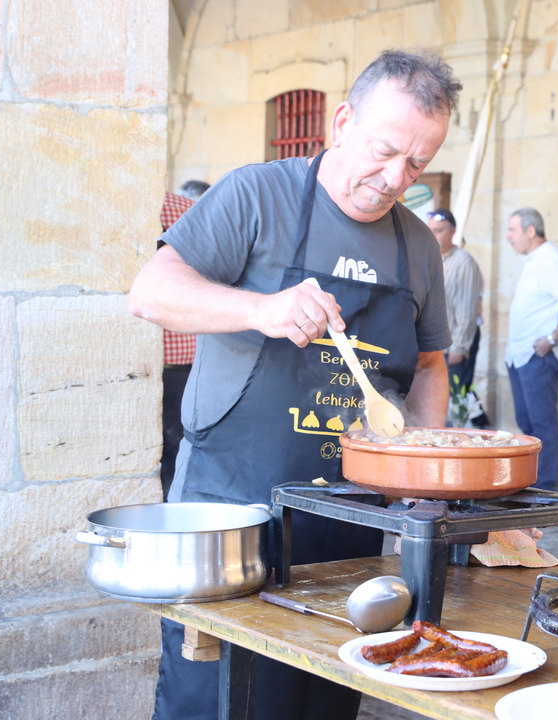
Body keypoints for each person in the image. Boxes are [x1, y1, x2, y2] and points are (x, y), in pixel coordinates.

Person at [128, 50, 461, 720]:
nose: (395, 179)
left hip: (351, 524)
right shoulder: (256, 195)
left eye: (416, 164)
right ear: (342, 122)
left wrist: (422, 473)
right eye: (384, 151)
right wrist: (260, 309)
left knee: (320, 699)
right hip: (231, 517)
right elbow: (151, 292)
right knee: (215, 698)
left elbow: (428, 364)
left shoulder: (418, 247)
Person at [504, 207, 558, 491]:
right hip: (521, 357)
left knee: (542, 425)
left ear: (531, 230)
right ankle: (533, 484)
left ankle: (545, 489)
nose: (508, 237)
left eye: (513, 230)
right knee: (528, 423)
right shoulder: (535, 259)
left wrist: (552, 339)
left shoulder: (550, 259)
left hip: (539, 357)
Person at [158, 186, 208, 500]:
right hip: (188, 358)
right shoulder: (188, 209)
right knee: (178, 447)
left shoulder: (180, 208)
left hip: (170, 360)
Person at [426, 208, 486, 424]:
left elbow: (468, 308)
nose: (433, 235)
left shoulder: (463, 262)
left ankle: (478, 434)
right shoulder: (429, 258)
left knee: (459, 396)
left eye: (439, 230)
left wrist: (459, 347)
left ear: (452, 232)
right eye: (430, 230)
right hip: (436, 344)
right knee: (446, 394)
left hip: (456, 343)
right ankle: (478, 431)